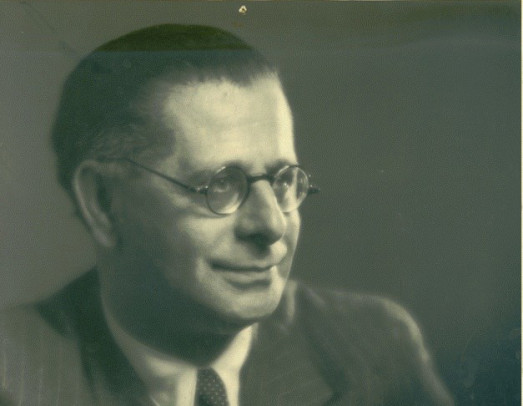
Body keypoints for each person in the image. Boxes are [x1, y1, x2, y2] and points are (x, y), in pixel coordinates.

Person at [0, 24, 453, 406]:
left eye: (283, 180)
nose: (272, 224)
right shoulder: (13, 375)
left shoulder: (372, 347)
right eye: (221, 184)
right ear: (103, 202)